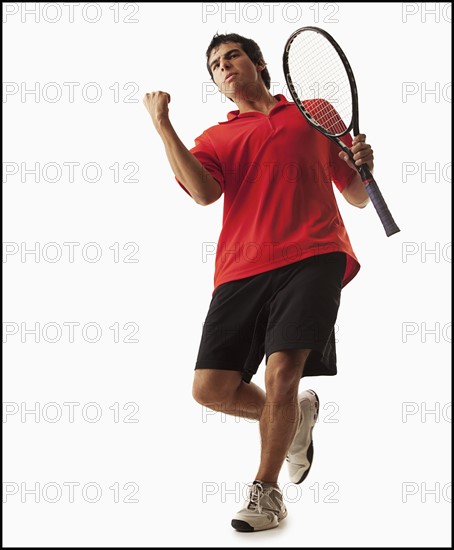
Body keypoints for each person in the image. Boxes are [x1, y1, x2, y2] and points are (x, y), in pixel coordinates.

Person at [143, 33, 374, 532]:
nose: (225, 66)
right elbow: (204, 194)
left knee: (282, 370)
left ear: (259, 64)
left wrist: (364, 166)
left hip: (315, 253)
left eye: (233, 56)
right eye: (215, 64)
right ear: (217, 85)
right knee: (209, 389)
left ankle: (265, 492)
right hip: (241, 268)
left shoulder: (314, 113)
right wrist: (164, 128)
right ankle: (298, 418)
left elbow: (356, 195)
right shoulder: (214, 138)